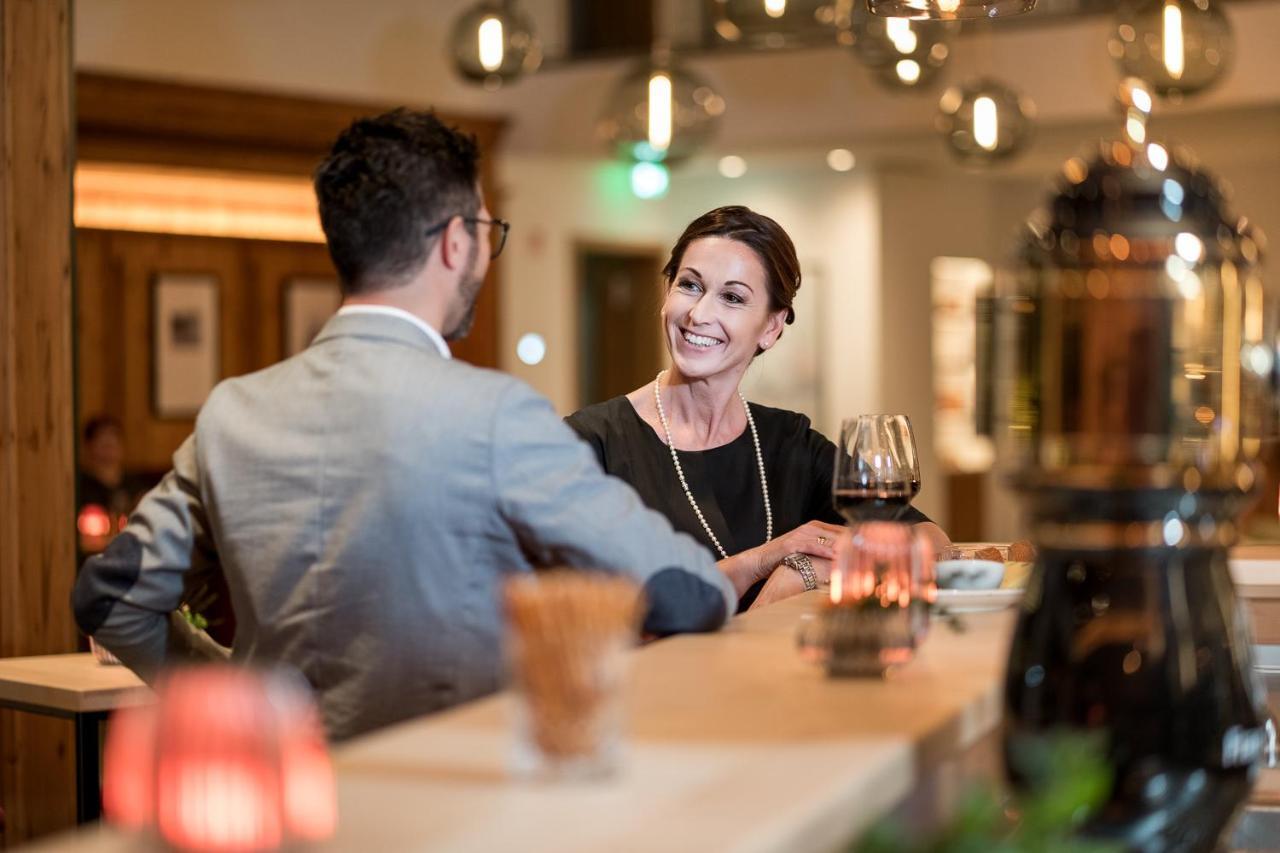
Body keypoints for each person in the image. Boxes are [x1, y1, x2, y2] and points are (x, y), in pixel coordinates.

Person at [72, 109, 735, 742]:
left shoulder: (230, 415)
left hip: (287, 803)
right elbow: (687, 592)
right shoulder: (495, 416)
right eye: (486, 230)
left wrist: (238, 696)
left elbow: (110, 597)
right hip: (452, 806)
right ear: (454, 242)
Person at [567, 206, 949, 611]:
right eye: (690, 286)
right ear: (667, 292)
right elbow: (594, 610)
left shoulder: (789, 444)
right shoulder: (590, 444)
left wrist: (805, 569)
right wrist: (764, 562)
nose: (699, 314)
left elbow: (930, 541)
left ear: (771, 327)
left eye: (731, 298)